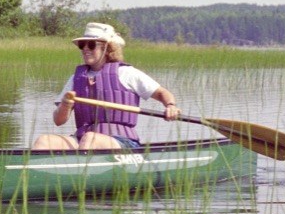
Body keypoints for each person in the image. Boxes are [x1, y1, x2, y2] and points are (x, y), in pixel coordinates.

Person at [32, 22, 181, 150]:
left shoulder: (126, 73)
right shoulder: (75, 79)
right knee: (44, 141)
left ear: (107, 48)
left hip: (122, 142)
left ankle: (84, 180)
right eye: (82, 45)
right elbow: (59, 121)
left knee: (90, 140)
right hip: (83, 140)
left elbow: (162, 93)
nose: (85, 49)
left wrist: (170, 105)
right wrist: (65, 105)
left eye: (91, 45)